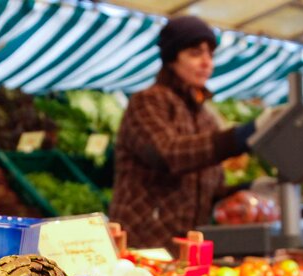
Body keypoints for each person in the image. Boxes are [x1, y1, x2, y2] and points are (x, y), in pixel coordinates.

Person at [110, 15, 258, 250]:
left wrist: (245, 190)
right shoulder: (148, 101)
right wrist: (236, 138)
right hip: (143, 245)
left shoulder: (205, 117)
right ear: (171, 58)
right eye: (195, 53)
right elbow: (167, 154)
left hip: (186, 251)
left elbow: (210, 187)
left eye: (210, 54)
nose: (206, 62)